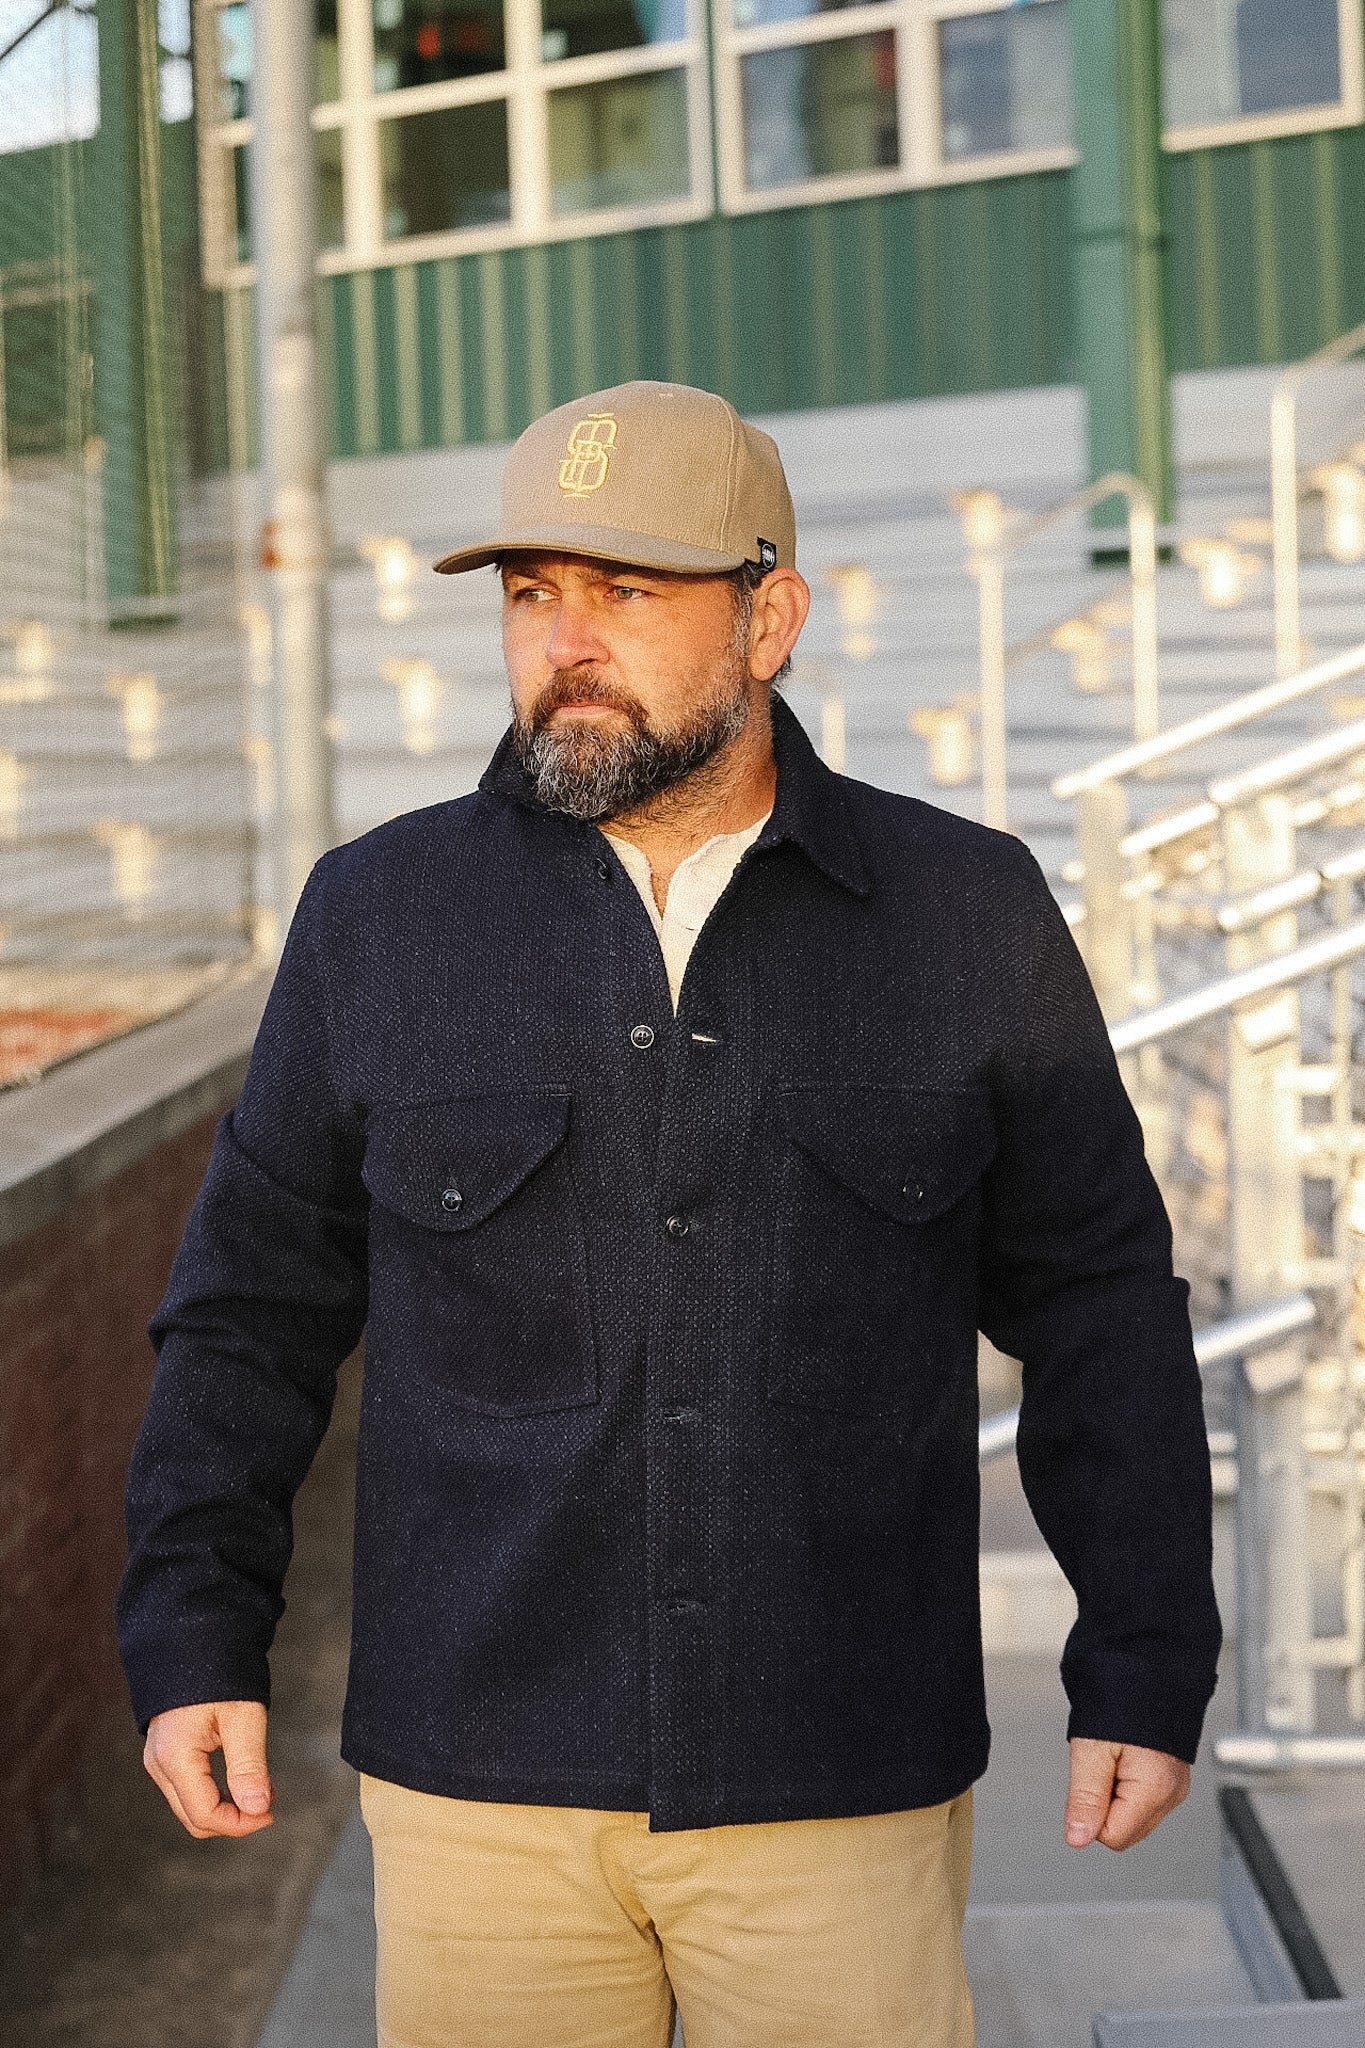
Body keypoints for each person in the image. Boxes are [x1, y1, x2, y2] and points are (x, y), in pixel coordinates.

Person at [117, 379, 1221, 2048]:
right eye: (529, 593)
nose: (565, 639)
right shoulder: (378, 916)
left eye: (625, 592)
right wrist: (195, 1627)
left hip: (839, 1772)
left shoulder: (964, 911)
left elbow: (1098, 1305)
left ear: (767, 616)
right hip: (478, 1788)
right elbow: (249, 1312)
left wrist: (1140, 1648)